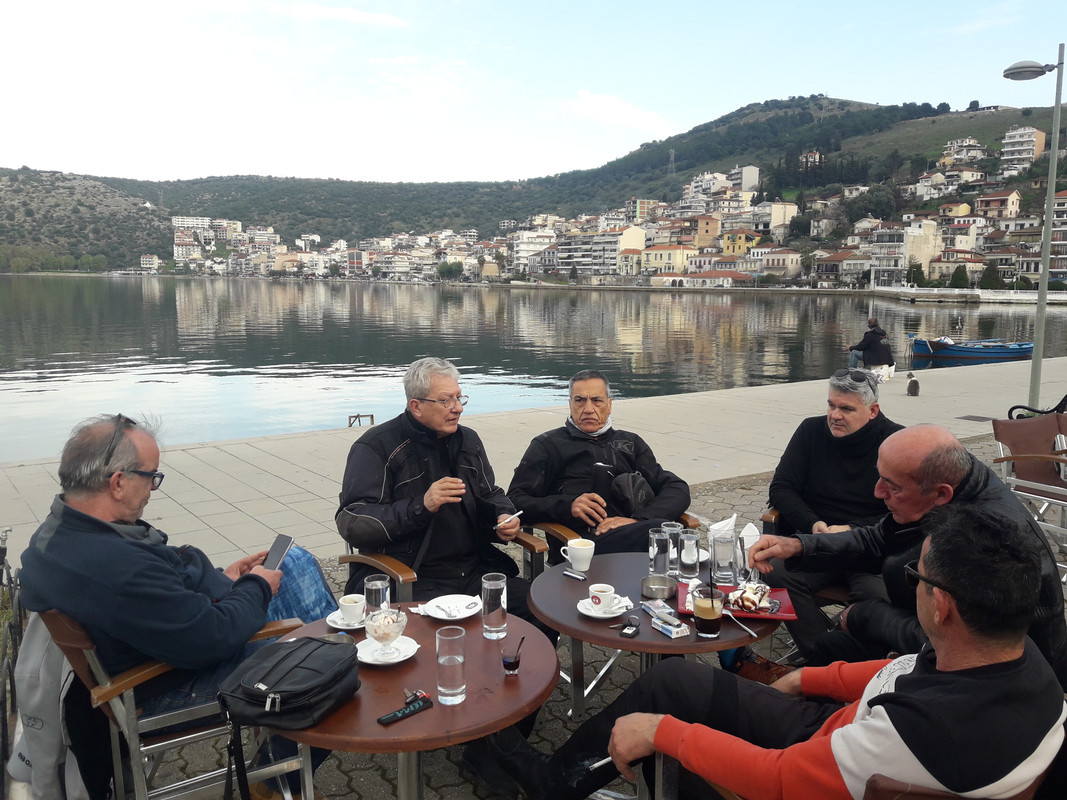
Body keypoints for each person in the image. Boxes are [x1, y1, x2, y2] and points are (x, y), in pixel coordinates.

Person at [487, 505, 1066, 800]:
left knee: (664, 722)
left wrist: (664, 733)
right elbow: (904, 666)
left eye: (916, 574)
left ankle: (555, 782)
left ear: (941, 604)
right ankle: (560, 779)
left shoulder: (917, 735)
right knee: (673, 680)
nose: (908, 582)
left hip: (813, 758)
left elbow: (781, 779)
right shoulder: (1020, 665)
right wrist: (806, 680)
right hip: (834, 729)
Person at [18, 413, 333, 800]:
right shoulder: (117, 566)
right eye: (151, 476)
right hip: (163, 685)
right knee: (327, 672)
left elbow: (158, 602)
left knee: (294, 565)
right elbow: (212, 636)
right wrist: (255, 587)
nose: (153, 488)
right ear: (118, 482)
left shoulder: (57, 533)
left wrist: (223, 580)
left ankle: (307, 702)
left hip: (162, 647)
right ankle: (276, 781)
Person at [335, 356, 549, 798]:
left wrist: (504, 517)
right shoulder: (377, 447)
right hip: (413, 581)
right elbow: (352, 521)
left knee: (541, 613)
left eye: (459, 397)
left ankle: (495, 737)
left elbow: (490, 493)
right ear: (416, 405)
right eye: (446, 400)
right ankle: (494, 746)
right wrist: (422, 505)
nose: (457, 408)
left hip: (475, 570)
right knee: (451, 643)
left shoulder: (467, 440)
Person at [751, 424, 1067, 688]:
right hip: (938, 641)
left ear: (941, 493)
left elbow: (957, 645)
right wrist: (800, 546)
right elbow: (878, 539)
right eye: (879, 477)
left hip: (995, 681)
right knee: (829, 648)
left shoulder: (986, 540)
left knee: (833, 657)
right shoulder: (955, 480)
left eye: (892, 487)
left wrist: (866, 615)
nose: (877, 492)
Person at [762, 368, 903, 661]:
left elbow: (907, 511)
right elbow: (782, 488)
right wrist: (813, 524)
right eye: (831, 405)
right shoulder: (811, 431)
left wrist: (852, 529)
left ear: (873, 410)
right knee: (776, 572)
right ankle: (822, 659)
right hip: (817, 543)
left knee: (879, 598)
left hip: (872, 550)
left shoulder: (896, 442)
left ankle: (858, 665)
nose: (835, 415)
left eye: (846, 409)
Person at [507, 369, 690, 558]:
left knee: (664, 534)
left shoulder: (630, 443)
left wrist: (639, 520)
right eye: (580, 400)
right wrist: (567, 506)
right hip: (577, 546)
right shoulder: (547, 445)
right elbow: (514, 500)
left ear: (609, 405)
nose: (588, 408)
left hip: (634, 534)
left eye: (596, 400)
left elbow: (677, 487)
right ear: (570, 404)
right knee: (663, 536)